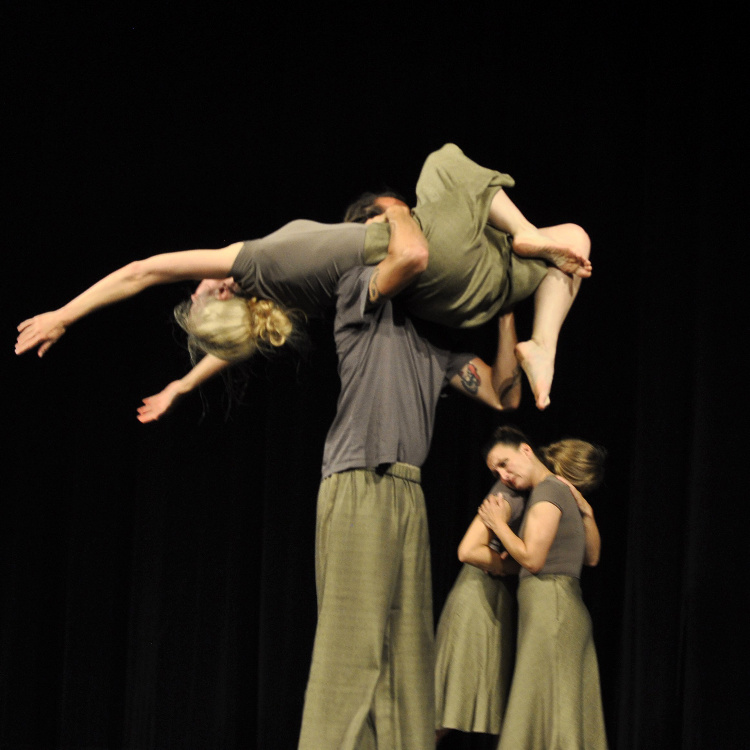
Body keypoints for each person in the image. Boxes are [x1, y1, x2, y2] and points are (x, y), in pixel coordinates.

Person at [16, 144, 591, 412]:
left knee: (574, 244)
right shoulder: (251, 263)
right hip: (432, 254)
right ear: (219, 290)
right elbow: (143, 271)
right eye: (197, 293)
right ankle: (524, 234)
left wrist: (183, 386)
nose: (195, 286)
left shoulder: (285, 297)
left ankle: (544, 345)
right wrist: (64, 315)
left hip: (461, 299)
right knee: (443, 161)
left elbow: (233, 346)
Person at [298, 247, 524, 749]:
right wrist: (397, 223)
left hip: (407, 490)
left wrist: (506, 312)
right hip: (360, 479)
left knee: (407, 653)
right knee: (350, 649)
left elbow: (504, 394)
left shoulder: (437, 348)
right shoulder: (359, 293)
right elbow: (410, 258)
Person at [434, 434, 606, 745]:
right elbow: (588, 559)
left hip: (543, 607)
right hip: (528, 604)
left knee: (542, 718)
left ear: (527, 451)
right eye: (496, 470)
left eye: (505, 464)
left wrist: (501, 528)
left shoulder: (547, 492)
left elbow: (541, 560)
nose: (503, 476)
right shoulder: (529, 490)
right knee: (546, 718)